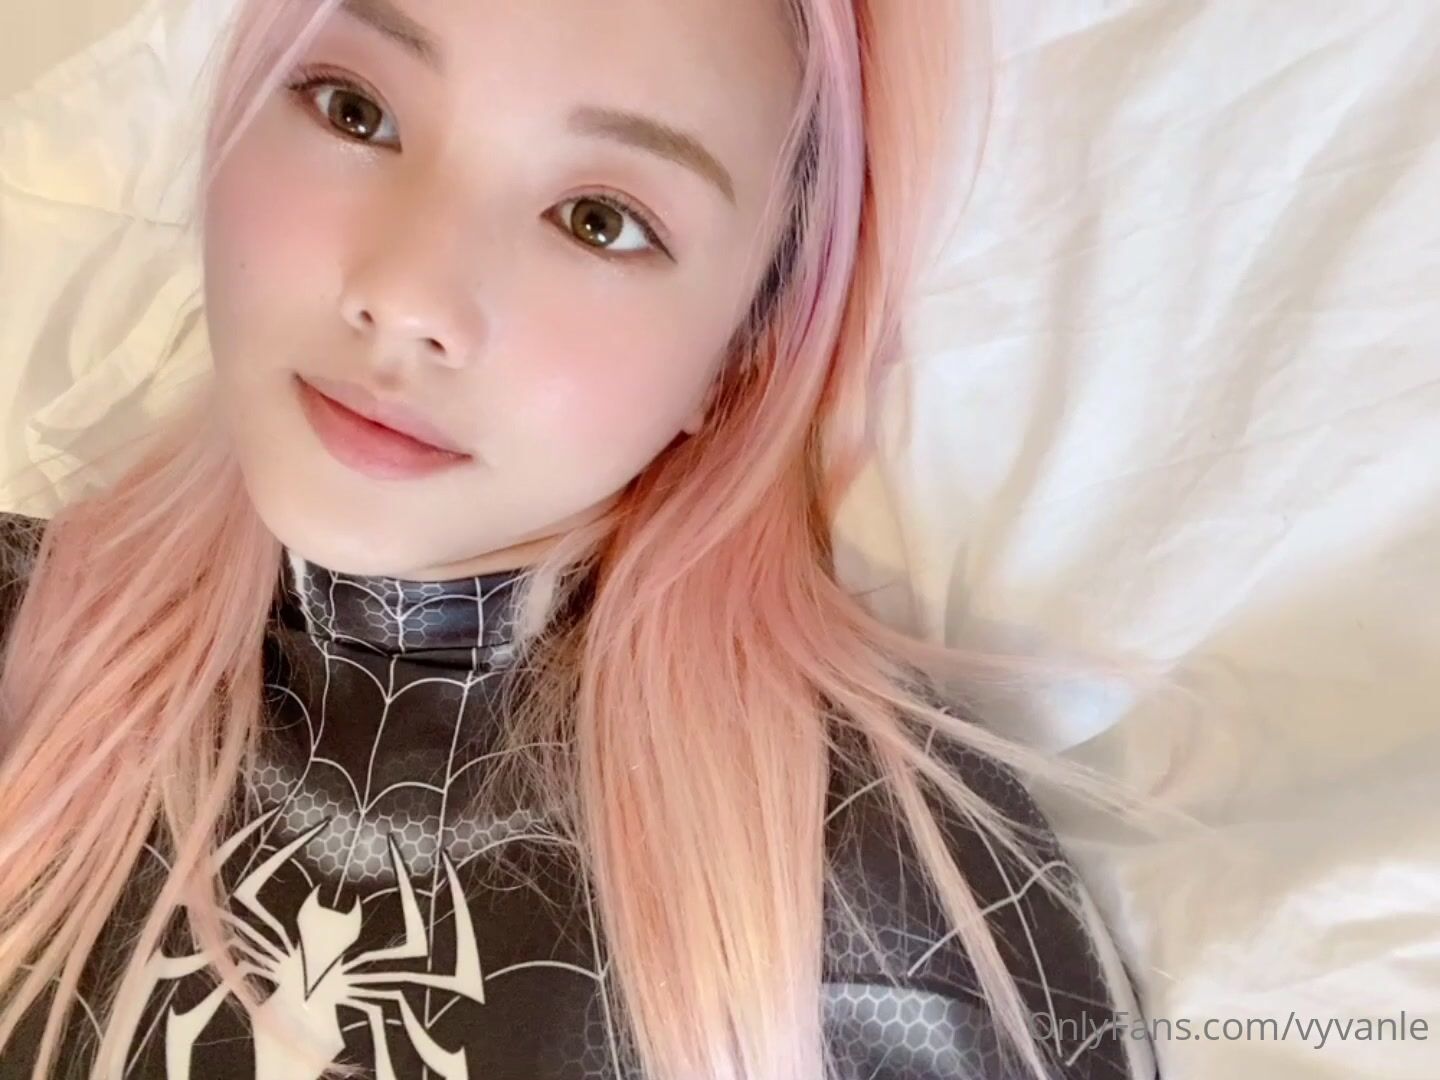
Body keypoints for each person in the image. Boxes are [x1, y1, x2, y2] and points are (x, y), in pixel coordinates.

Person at [0, 0, 1159, 1077]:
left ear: (745, 351)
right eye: (355, 110)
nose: (407, 296)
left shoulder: (894, 911)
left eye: (599, 223)